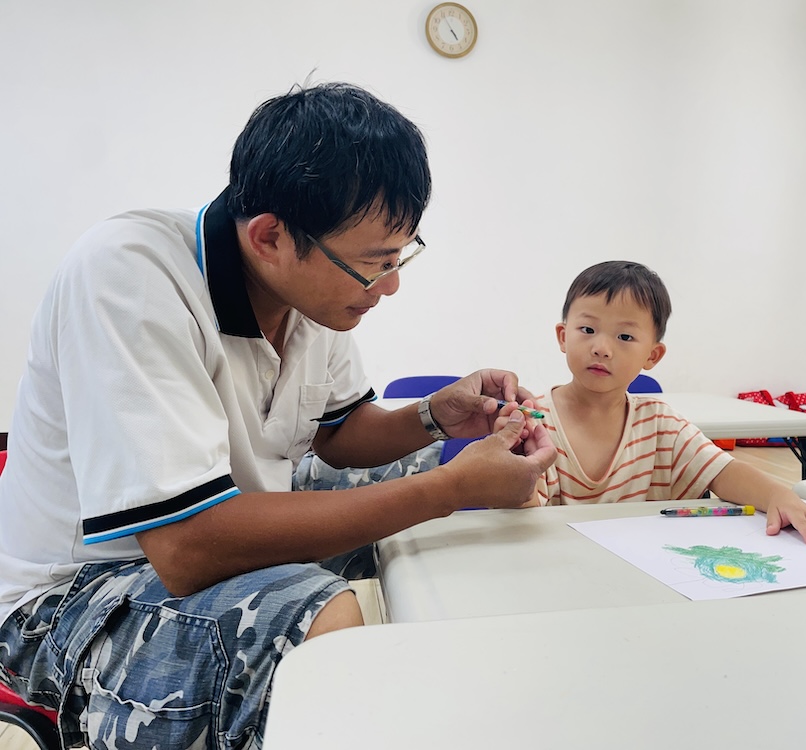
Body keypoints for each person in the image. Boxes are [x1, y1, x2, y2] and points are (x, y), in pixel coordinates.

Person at [0, 82, 555, 750]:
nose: (390, 286)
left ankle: (483, 671)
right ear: (270, 237)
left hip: (218, 518)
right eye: (375, 264)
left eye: (400, 256)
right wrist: (449, 491)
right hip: (72, 594)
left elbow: (340, 435)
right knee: (313, 614)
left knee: (433, 469)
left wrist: (437, 417)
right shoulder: (129, 274)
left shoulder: (311, 293)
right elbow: (186, 549)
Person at [496, 260, 806, 547]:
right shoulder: (536, 422)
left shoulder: (661, 425)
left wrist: (780, 496)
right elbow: (524, 520)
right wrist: (512, 472)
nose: (602, 348)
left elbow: (724, 472)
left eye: (625, 336)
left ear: (652, 355)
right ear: (563, 336)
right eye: (588, 330)